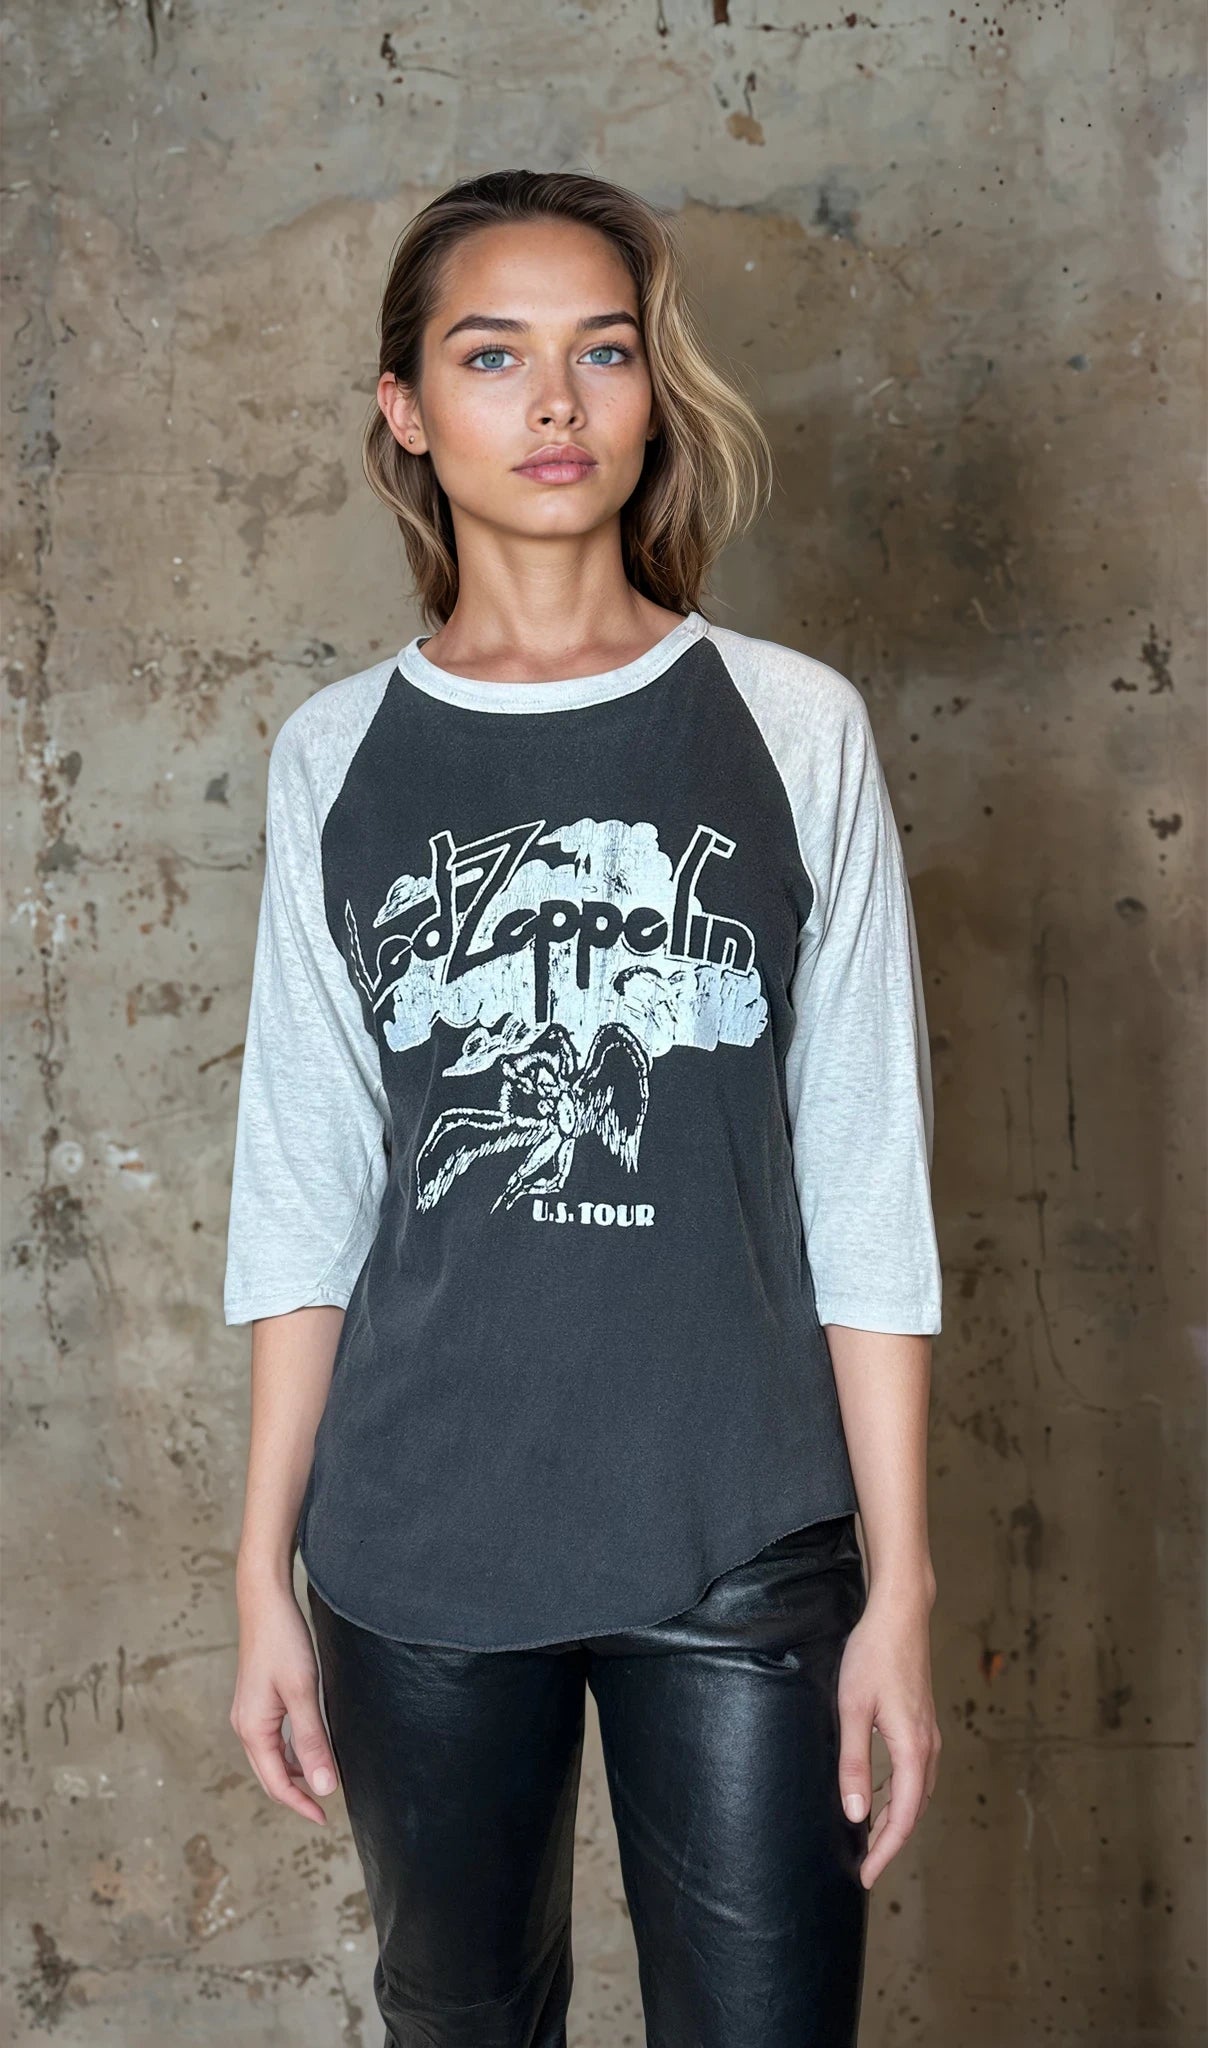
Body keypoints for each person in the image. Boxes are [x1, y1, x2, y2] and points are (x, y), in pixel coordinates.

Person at [224, 167, 943, 2048]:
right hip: (417, 1544)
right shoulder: (336, 755)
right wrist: (257, 1574)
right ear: (405, 408)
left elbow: (867, 1177)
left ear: (651, 390)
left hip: (743, 1531)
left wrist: (902, 1586)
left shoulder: (790, 725)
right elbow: (309, 1183)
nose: (555, 403)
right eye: (492, 357)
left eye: (602, 352)